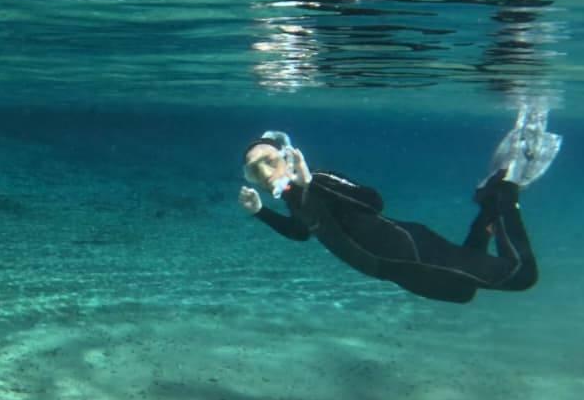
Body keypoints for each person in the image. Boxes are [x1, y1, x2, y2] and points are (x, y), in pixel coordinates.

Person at [238, 104, 561, 304]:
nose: (265, 174)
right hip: (395, 269)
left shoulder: (320, 180)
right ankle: (488, 206)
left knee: (520, 276)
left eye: (268, 161)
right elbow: (302, 232)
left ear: (286, 156)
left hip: (412, 252)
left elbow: (373, 202)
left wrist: (313, 183)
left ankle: (505, 193)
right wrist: (260, 212)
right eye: (254, 170)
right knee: (463, 292)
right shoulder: (293, 197)